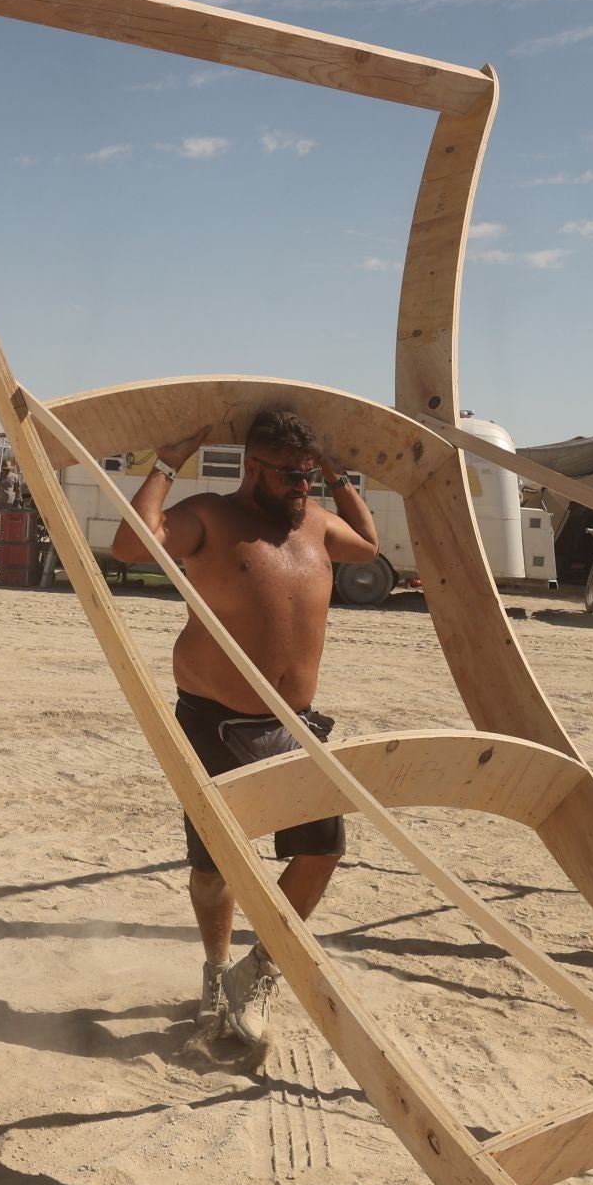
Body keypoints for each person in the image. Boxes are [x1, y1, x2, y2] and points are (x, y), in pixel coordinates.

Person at [113, 408, 380, 1047]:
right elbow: (130, 544)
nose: (303, 489)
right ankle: (214, 971)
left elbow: (369, 546)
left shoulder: (315, 524)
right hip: (212, 722)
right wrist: (166, 464)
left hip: (295, 724)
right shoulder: (210, 516)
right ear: (252, 468)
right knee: (217, 869)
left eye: (309, 477)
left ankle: (256, 970)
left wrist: (339, 476)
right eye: (292, 476)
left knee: (322, 850)